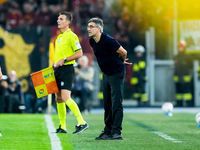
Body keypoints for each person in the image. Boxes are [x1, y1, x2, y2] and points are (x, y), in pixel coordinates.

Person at [87, 17, 132, 140]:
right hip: (106, 74)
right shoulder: (92, 41)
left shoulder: (108, 40)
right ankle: (108, 131)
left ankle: (117, 132)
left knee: (116, 103)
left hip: (116, 73)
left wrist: (121, 62)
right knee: (107, 103)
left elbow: (124, 52)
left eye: (91, 26)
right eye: (88, 26)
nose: (88, 29)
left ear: (99, 28)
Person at [53, 11, 88, 134]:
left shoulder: (72, 36)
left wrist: (65, 59)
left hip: (67, 69)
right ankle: (62, 127)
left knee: (65, 97)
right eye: (58, 18)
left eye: (61, 19)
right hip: (57, 70)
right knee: (58, 98)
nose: (58, 21)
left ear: (68, 22)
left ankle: (82, 122)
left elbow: (80, 53)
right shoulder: (59, 37)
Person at [173, 40, 193, 107]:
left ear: (184, 48)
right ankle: (179, 104)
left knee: (187, 91)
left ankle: (189, 104)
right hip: (177, 77)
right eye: (179, 47)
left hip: (186, 77)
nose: (180, 48)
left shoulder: (188, 57)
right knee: (178, 92)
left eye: (181, 47)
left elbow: (191, 66)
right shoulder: (176, 57)